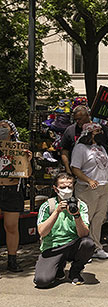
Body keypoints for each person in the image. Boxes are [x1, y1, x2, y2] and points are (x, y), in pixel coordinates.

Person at [34, 173, 94, 287]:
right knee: (42, 281)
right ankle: (58, 267)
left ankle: (75, 271)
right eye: (62, 187)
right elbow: (42, 232)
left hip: (72, 245)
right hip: (52, 247)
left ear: (73, 187)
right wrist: (56, 212)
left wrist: (77, 215)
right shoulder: (48, 206)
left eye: (69, 187)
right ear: (55, 189)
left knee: (88, 243)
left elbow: (84, 234)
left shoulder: (81, 205)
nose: (66, 190)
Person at [70, 122, 108, 260]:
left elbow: (106, 167)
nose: (100, 133)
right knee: (85, 218)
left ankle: (96, 247)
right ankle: (83, 249)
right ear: (89, 133)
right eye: (97, 131)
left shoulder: (101, 147)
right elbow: (75, 168)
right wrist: (88, 180)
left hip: (103, 186)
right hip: (88, 188)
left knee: (98, 219)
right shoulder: (80, 148)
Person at [0, 120, 31, 273]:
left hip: (12, 190)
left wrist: (28, 161)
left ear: (11, 131)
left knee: (11, 226)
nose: (1, 130)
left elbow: (27, 173)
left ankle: (12, 259)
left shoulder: (19, 148)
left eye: (4, 127)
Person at [60, 105, 108, 175]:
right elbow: (64, 150)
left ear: (87, 115)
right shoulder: (71, 130)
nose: (77, 121)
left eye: (79, 119)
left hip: (100, 172)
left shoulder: (100, 128)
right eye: (75, 119)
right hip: (79, 172)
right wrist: (67, 168)